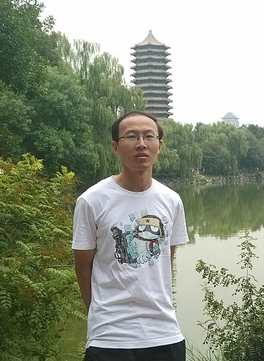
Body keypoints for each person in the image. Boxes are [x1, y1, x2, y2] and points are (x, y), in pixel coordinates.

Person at [72, 111, 189, 361]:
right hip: (109, 337)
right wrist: (99, 315)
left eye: (149, 136)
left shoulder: (171, 201)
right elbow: (82, 268)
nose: (141, 144)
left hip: (164, 334)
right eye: (132, 136)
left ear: (159, 145)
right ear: (115, 147)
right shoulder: (91, 201)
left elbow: (166, 260)